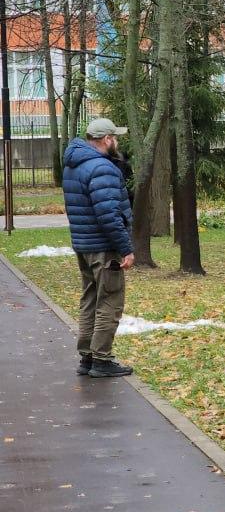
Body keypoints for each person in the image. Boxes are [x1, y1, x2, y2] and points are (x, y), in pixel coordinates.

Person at [62, 118, 135, 378]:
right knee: (110, 302)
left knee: (90, 299)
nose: (117, 142)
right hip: (104, 247)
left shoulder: (74, 165)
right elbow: (108, 215)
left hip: (84, 244)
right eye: (115, 138)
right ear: (106, 140)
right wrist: (126, 248)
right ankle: (102, 359)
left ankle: (87, 356)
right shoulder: (102, 168)